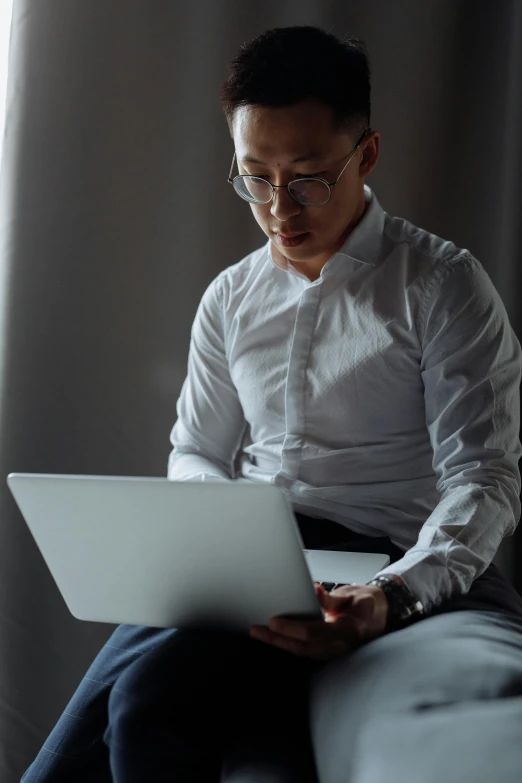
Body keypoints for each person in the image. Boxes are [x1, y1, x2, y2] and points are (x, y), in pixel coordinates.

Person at [23, 25, 522, 783]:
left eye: (310, 177)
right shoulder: (230, 297)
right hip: (249, 556)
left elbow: (485, 478)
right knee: (69, 756)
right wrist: (222, 532)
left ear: (368, 154)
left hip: (377, 551)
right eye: (255, 177)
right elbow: (194, 447)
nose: (279, 208)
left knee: (147, 704)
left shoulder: (442, 286)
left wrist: (391, 595)